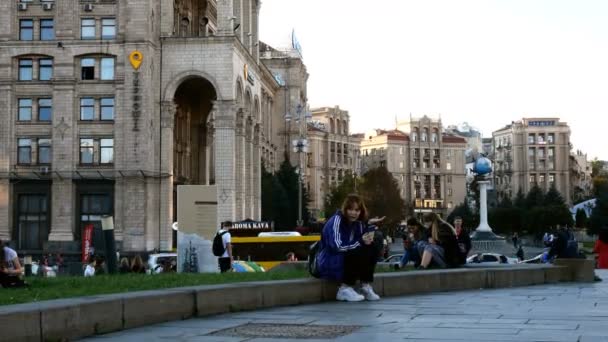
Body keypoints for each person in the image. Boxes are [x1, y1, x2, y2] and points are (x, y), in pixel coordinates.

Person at [316, 194, 384, 302]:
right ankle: (344, 289)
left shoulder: (358, 223)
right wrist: (360, 241)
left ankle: (365, 286)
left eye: (357, 210)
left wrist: (368, 229)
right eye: (350, 210)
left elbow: (360, 242)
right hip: (330, 261)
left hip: (345, 260)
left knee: (371, 247)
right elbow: (337, 247)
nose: (353, 213)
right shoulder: (336, 220)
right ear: (345, 209)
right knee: (356, 249)